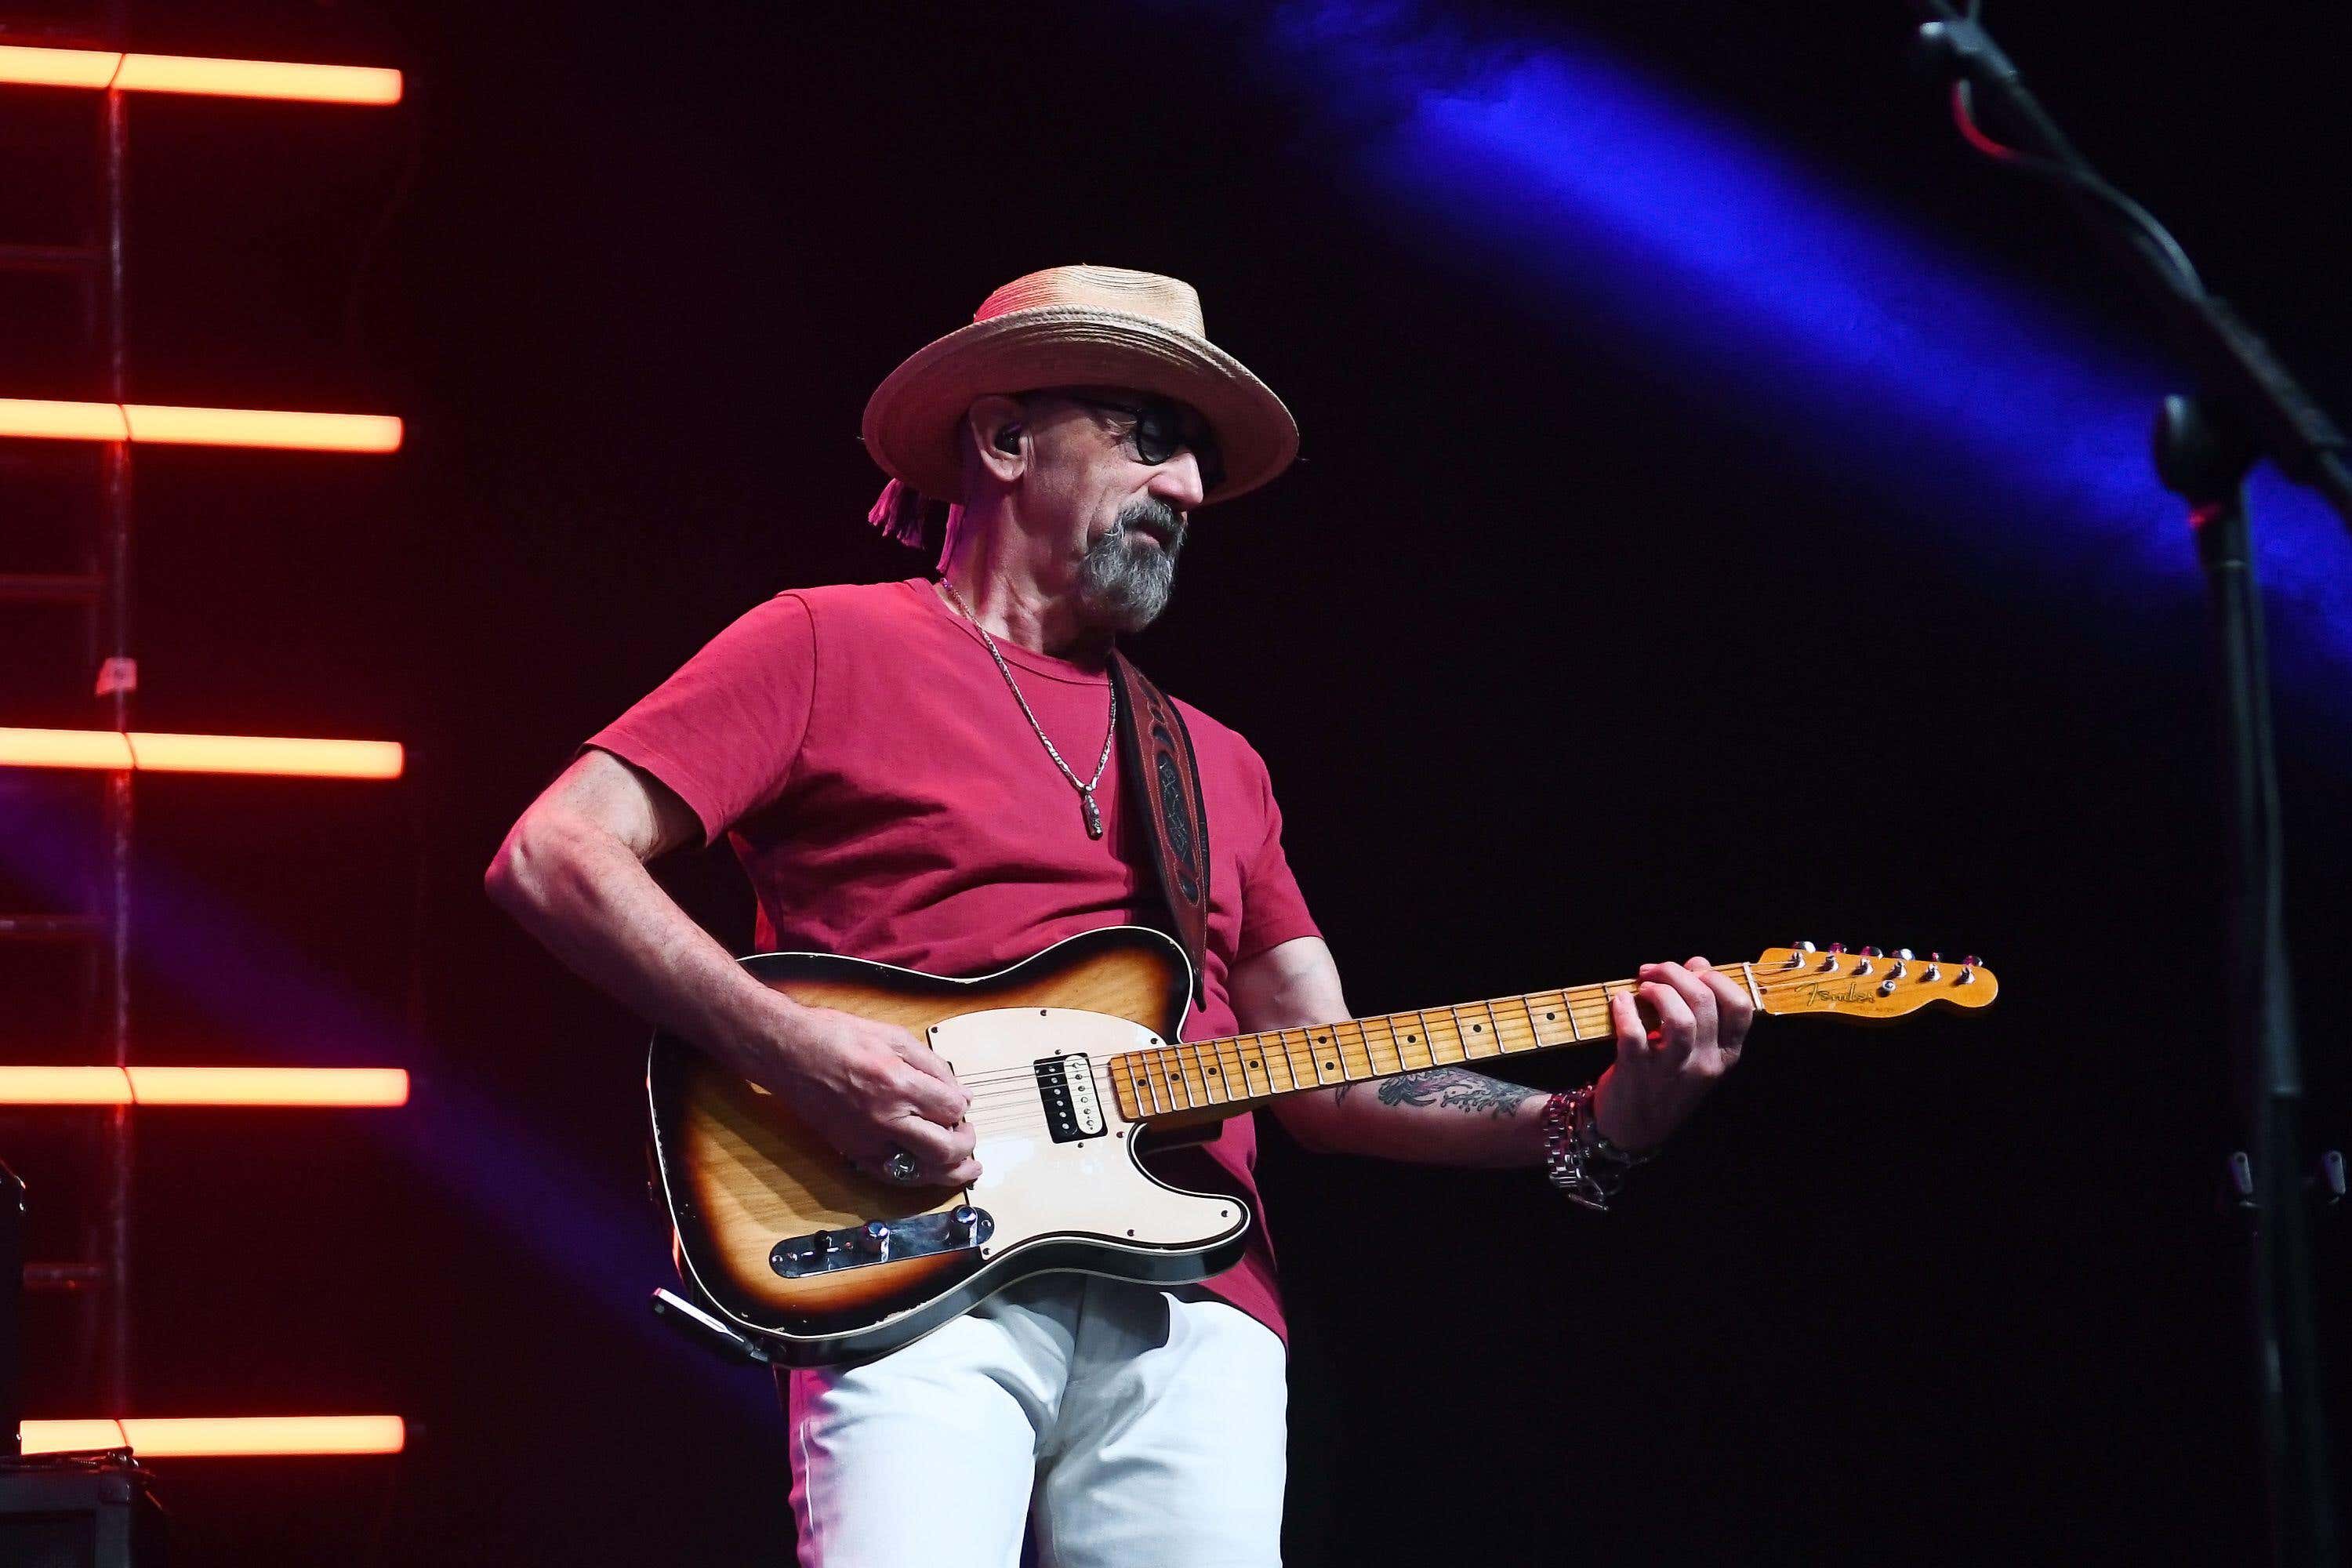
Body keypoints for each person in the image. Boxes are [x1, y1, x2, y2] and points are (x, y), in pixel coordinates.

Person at [484, 264, 1750, 1566]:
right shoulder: (822, 645)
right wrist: (794, 1051)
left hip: (1199, 1307)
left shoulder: (1218, 762)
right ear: (1005, 436)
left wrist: (1590, 1122)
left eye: (1197, 458)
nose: (1192, 491)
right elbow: (557, 853)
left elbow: (1325, 1072)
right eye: (1151, 439)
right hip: (909, 1257)